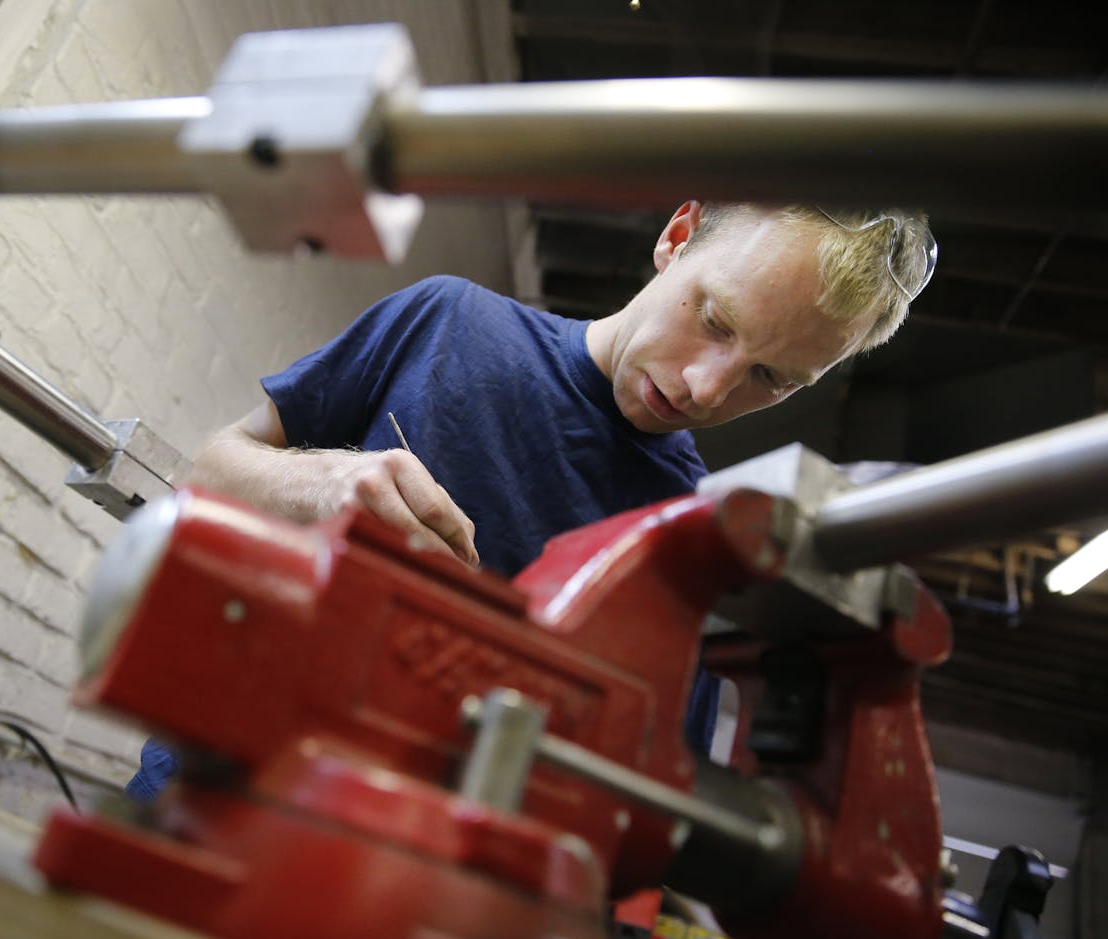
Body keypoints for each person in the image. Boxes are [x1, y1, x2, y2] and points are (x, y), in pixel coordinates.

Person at [123, 199, 935, 802]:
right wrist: (319, 481)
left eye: (770, 379)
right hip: (207, 796)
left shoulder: (696, 537)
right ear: (676, 237)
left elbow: (642, 806)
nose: (705, 387)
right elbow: (209, 472)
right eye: (716, 320)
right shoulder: (448, 322)